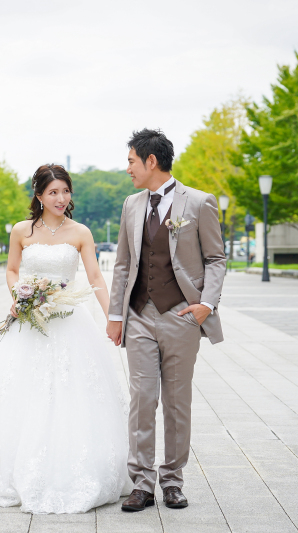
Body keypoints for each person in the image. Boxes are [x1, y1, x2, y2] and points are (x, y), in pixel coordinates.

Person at [0, 164, 131, 514]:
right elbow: (12, 270)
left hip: (71, 323)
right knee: (22, 393)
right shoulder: (21, 231)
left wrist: (112, 317)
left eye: (66, 191)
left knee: (73, 394)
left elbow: (95, 277)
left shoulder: (81, 232)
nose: (61, 198)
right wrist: (20, 297)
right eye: (53, 192)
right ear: (39, 195)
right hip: (30, 324)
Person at [106, 129, 226, 512]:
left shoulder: (200, 203)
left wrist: (207, 304)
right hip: (139, 314)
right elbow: (124, 263)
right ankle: (141, 482)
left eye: (130, 161)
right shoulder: (131, 204)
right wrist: (115, 315)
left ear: (150, 161)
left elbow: (216, 259)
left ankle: (173, 480)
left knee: (177, 402)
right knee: (142, 399)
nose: (128, 168)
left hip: (181, 316)